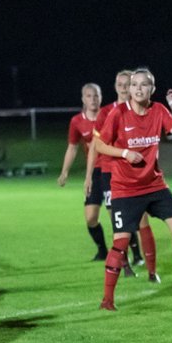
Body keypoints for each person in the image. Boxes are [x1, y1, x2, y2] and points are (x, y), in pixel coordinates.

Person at [91, 68, 172, 311]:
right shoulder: (119, 113)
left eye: (144, 85)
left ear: (152, 89)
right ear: (130, 89)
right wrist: (124, 153)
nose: (139, 88)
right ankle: (107, 300)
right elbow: (99, 144)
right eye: (135, 85)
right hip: (125, 189)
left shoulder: (158, 110)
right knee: (120, 243)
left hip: (155, 185)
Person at [86, 69, 151, 274]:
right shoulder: (106, 113)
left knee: (140, 219)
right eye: (120, 84)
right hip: (110, 172)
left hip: (134, 172)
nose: (123, 88)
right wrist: (88, 176)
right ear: (115, 87)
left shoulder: (142, 110)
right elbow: (95, 146)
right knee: (117, 217)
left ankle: (146, 261)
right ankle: (125, 264)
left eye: (127, 84)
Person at [57, 82, 108, 260]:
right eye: (89, 96)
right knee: (91, 218)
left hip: (112, 171)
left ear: (101, 97)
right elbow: (72, 148)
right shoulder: (77, 121)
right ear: (83, 99)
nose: (93, 99)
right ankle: (103, 251)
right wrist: (64, 172)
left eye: (96, 95)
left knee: (118, 215)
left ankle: (135, 255)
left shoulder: (110, 115)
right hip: (93, 172)